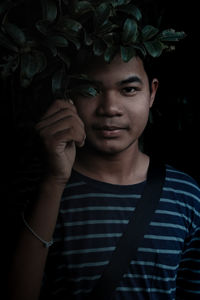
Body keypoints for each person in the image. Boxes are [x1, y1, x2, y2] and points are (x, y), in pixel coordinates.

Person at [8, 51, 200, 300]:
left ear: (151, 93)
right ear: (67, 95)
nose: (110, 108)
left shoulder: (185, 194)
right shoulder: (36, 190)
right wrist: (53, 183)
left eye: (129, 89)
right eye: (90, 90)